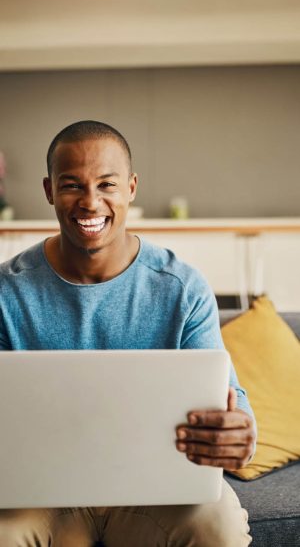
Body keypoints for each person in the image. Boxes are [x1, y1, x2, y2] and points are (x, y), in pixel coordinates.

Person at [0, 120, 256, 547]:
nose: (90, 202)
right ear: (48, 191)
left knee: (219, 529)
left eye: (107, 184)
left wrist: (241, 432)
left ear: (131, 188)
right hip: (39, 496)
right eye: (71, 186)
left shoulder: (182, 288)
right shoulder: (7, 291)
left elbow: (229, 398)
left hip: (156, 495)